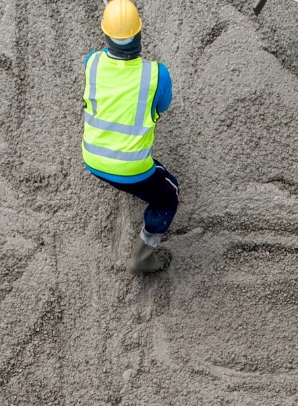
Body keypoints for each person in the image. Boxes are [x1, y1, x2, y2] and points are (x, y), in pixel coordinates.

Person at [82, 0, 179, 274]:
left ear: (105, 34)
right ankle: (142, 257)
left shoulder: (92, 62)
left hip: (92, 159)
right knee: (169, 197)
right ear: (140, 33)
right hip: (133, 168)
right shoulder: (157, 74)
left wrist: (115, 12)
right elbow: (162, 106)